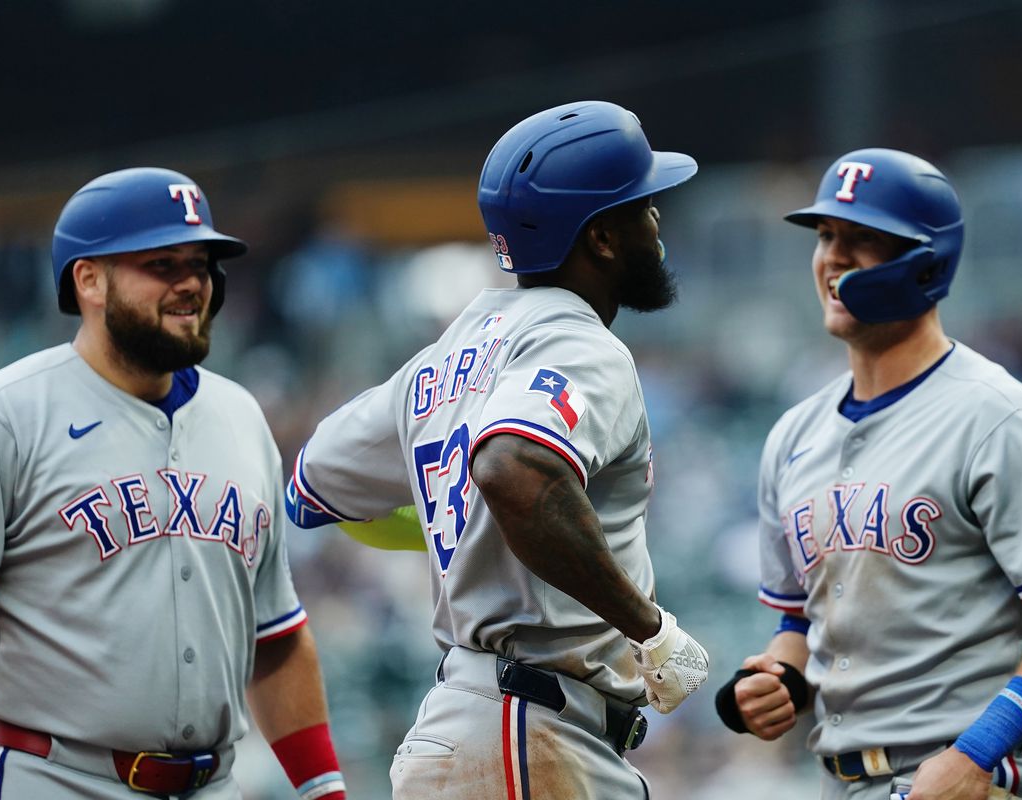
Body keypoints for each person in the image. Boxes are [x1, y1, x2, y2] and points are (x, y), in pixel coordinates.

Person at [287, 100, 710, 799]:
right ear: (602, 238)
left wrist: (461, 531)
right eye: (642, 205)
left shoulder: (445, 356)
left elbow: (314, 486)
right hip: (530, 739)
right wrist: (650, 628)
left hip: (485, 727)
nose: (656, 221)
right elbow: (510, 469)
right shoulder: (579, 341)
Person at [716, 148, 1022, 800]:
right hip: (843, 782)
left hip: (975, 781)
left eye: (863, 240)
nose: (832, 258)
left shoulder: (999, 416)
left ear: (926, 262)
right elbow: (797, 624)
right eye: (826, 236)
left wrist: (976, 754)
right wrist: (777, 681)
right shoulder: (792, 435)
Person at [0, 168, 347, 800]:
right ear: (88, 280)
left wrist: (324, 790)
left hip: (212, 784)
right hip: (49, 777)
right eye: (161, 264)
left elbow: (274, 637)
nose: (191, 282)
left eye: (200, 263)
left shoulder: (242, 416)